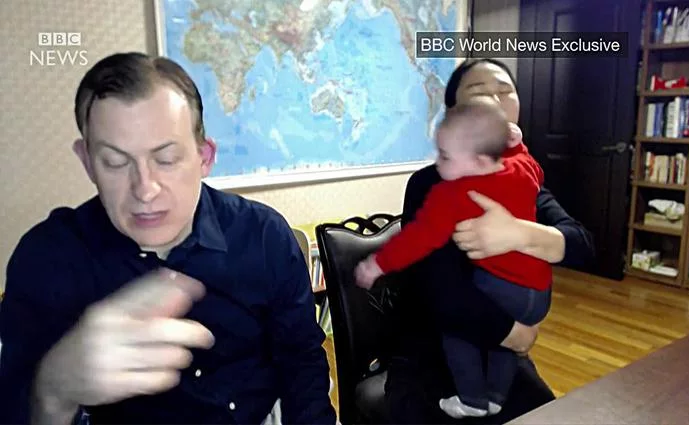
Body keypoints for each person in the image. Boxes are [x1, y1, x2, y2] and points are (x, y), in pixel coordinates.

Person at [0, 52, 336, 425]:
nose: (145, 190)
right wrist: (53, 390)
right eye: (115, 162)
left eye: (166, 159)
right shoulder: (48, 259)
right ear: (87, 162)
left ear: (204, 157)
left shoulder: (264, 235)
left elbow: (302, 363)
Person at [383, 58, 595, 424]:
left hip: (499, 361)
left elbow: (583, 246)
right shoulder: (430, 183)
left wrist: (521, 233)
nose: (495, 101)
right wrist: (515, 335)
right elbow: (443, 293)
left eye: (505, 91)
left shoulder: (524, 181)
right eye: (479, 92)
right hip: (433, 357)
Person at [354, 99, 552, 418]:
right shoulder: (520, 170)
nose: (439, 163)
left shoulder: (455, 194)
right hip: (536, 293)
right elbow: (534, 169)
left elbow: (416, 240)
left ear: (478, 158)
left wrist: (377, 264)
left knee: (457, 330)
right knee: (501, 341)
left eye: (445, 156)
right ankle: (497, 394)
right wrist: (517, 147)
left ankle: (472, 399)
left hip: (500, 293)